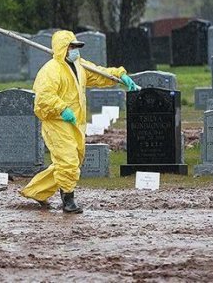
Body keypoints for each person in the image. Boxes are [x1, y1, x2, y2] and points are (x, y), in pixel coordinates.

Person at [20, 30, 139, 213]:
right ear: (63, 48)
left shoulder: (79, 65)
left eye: (76, 47)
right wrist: (61, 108)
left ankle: (37, 191)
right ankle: (68, 200)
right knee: (67, 161)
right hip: (57, 122)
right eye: (72, 47)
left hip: (75, 123)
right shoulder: (50, 71)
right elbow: (43, 98)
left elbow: (100, 74)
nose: (75, 50)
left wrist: (120, 75)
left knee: (70, 162)